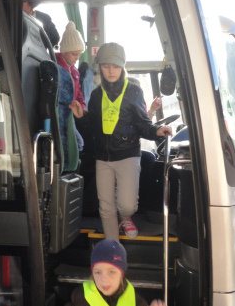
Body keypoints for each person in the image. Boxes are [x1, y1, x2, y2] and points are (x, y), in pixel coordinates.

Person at [70, 42, 172, 239]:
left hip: (127, 155)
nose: (111, 71)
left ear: (122, 67)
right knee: (105, 207)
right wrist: (81, 117)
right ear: (100, 67)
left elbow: (142, 124)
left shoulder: (134, 92)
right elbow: (93, 126)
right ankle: (113, 249)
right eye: (106, 66)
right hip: (103, 158)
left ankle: (125, 218)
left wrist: (156, 131)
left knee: (127, 206)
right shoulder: (96, 95)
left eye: (116, 66)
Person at [56, 21, 87, 150]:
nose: (77, 58)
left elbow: (78, 93)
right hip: (60, 110)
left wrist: (82, 108)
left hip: (71, 111)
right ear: (64, 51)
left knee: (78, 142)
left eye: (79, 55)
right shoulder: (56, 67)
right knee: (77, 143)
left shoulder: (75, 71)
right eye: (74, 54)